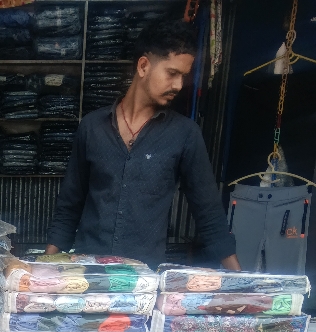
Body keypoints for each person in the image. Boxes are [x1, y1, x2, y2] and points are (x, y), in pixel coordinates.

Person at [45, 19, 241, 271]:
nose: (179, 85)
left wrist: (240, 281)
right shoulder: (92, 127)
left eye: (183, 76)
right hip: (89, 274)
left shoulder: (185, 134)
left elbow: (209, 213)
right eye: (172, 73)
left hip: (144, 279)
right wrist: (43, 268)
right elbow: (69, 205)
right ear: (143, 66)